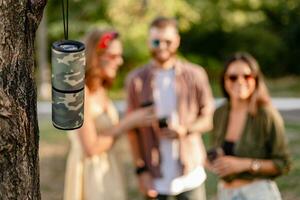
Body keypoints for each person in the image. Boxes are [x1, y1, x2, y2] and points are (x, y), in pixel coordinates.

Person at [125, 17, 214, 200]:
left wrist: (185, 129)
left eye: (168, 41)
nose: (162, 46)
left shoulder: (195, 75)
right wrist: (141, 170)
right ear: (149, 42)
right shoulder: (136, 80)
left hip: (190, 172)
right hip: (154, 174)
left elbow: (208, 118)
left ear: (178, 40)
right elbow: (132, 132)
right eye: (156, 41)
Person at [63, 29, 156, 200]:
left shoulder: (100, 89)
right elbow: (91, 148)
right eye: (112, 56)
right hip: (90, 175)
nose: (119, 61)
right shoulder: (78, 91)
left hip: (109, 168)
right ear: (94, 56)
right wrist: (129, 122)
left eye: (120, 55)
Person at [207, 52, 291, 200]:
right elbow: (217, 148)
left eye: (247, 76)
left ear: (256, 79)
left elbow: (283, 164)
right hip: (225, 193)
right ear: (224, 80)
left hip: (258, 193)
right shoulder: (219, 113)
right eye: (233, 77)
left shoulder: (267, 115)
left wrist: (245, 164)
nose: (240, 81)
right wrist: (214, 159)